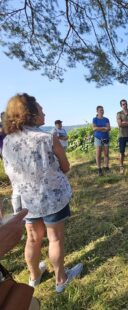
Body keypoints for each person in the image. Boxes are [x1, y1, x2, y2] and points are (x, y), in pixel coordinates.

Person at [2, 93, 83, 293]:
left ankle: (34, 276)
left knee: (32, 239)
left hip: (26, 199)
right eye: (40, 108)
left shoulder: (7, 143)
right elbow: (65, 167)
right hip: (52, 197)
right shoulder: (48, 138)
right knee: (55, 239)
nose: (44, 111)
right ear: (30, 114)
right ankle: (61, 279)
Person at [92, 106, 111, 176]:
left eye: (103, 110)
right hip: (98, 138)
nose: (102, 111)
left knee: (106, 154)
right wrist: (103, 128)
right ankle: (99, 168)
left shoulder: (106, 119)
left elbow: (109, 128)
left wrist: (99, 128)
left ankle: (106, 167)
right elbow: (94, 128)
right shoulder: (95, 119)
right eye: (100, 110)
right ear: (97, 111)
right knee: (98, 154)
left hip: (106, 137)